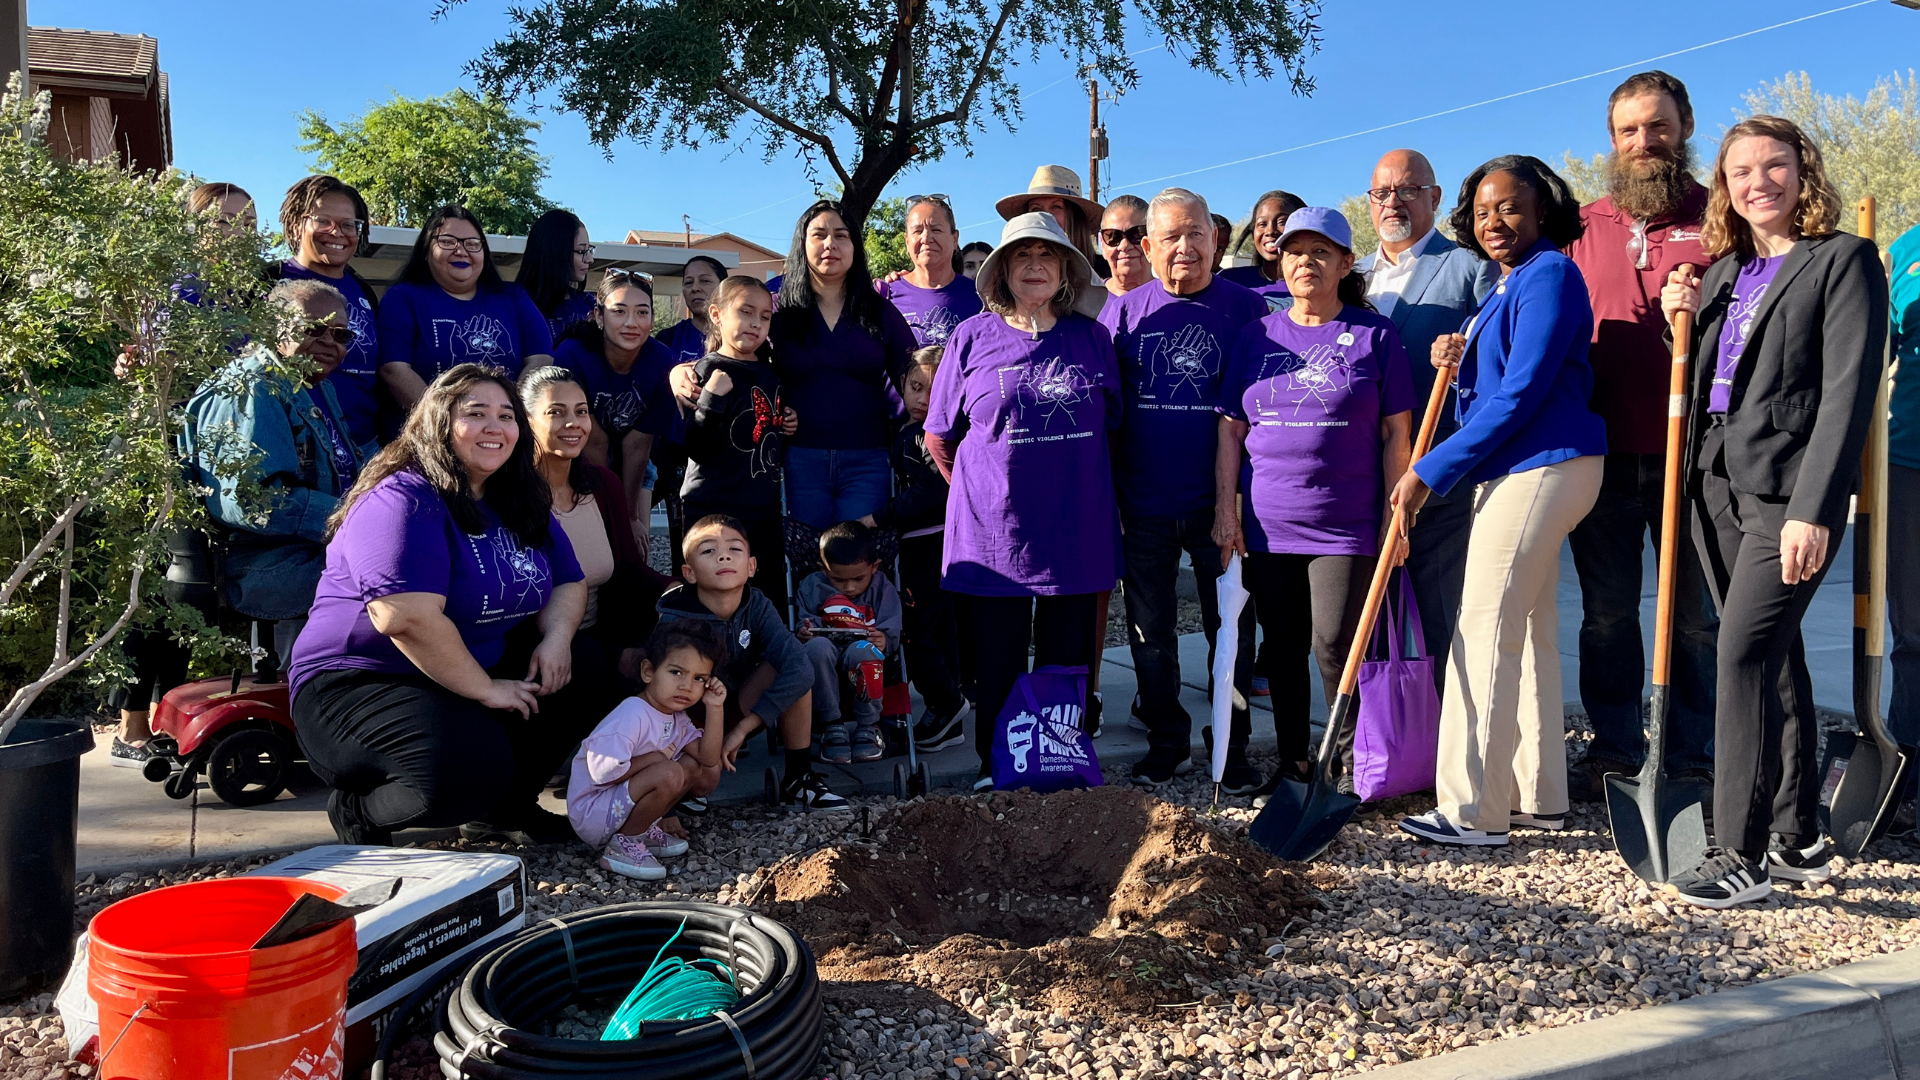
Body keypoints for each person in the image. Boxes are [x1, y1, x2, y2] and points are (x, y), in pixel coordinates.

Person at [1659, 117, 1884, 906]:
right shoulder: (1725, 272)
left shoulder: (1842, 261)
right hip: (1714, 484)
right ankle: (1798, 836)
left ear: (1803, 170)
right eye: (1741, 172)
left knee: (1742, 657)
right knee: (1776, 661)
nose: (1759, 183)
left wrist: (1815, 509)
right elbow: (1705, 378)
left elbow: (1848, 392)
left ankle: (1738, 851)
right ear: (1724, 187)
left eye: (1774, 166)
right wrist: (1678, 315)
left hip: (1788, 494)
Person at [290, 364, 612, 847]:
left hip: (462, 664)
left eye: (506, 416)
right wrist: (485, 688)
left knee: (584, 666)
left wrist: (557, 638)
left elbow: (568, 580)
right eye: (475, 413)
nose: (494, 427)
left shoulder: (515, 496)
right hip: (361, 679)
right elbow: (403, 617)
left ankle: (505, 811)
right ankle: (359, 808)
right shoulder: (402, 496)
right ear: (439, 422)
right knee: (466, 777)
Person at [1391, 156, 1607, 847]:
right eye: (1483, 211)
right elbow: (1495, 391)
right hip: (1532, 466)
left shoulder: (1549, 274)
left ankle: (1471, 810)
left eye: (1510, 207)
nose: (1494, 222)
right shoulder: (1511, 283)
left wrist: (1430, 471)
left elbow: (1522, 394)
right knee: (1529, 629)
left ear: (1543, 210)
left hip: (1540, 465)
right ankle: (1534, 793)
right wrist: (1456, 365)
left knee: (1482, 628)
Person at [1216, 207, 1414, 795]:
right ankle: (1295, 762)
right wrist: (1226, 510)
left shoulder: (1376, 336)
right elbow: (1230, 429)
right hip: (1268, 522)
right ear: (1280, 260)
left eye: (1321, 251)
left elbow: (1396, 435)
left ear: (1346, 264)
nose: (1306, 261)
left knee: (1334, 642)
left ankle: (1352, 762)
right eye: (1295, 251)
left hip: (1345, 523)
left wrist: (1396, 518)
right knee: (1282, 646)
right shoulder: (1256, 337)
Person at [1562, 71, 1720, 799]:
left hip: (1694, 457)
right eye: (1629, 130)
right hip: (1602, 453)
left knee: (1695, 620)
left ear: (1684, 127)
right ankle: (1616, 747)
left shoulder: (1722, 218)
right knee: (1607, 614)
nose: (1644, 141)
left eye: (1657, 125)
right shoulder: (1579, 227)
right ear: (1612, 139)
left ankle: (1692, 755)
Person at [925, 212, 1122, 789]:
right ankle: (998, 769)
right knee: (998, 661)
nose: (1035, 265)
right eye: (1021, 255)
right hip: (996, 536)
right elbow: (939, 435)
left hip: (1075, 530)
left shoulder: (1092, 338)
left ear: (1065, 271)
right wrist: (979, 490)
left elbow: (1113, 424)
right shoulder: (970, 337)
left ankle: (1056, 769)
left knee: (1067, 659)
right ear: (1001, 271)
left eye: (1047, 255)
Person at [1101, 188, 1266, 787]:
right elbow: (1103, 412)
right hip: (1141, 504)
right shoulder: (1121, 315)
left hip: (1221, 506)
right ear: (1148, 246)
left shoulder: (1249, 310)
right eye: (1171, 236)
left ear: (1216, 239)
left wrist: (1238, 502)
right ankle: (1166, 740)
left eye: (1196, 233)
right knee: (1150, 632)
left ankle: (1232, 747)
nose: (1185, 247)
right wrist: (1110, 498)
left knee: (1232, 629)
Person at [1357, 150, 1500, 674]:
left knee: (1439, 624)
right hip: (1356, 485)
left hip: (1433, 484)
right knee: (1363, 629)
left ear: (1434, 198)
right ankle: (1378, 724)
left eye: (1408, 190)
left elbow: (1496, 370)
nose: (1392, 202)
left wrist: (1460, 367)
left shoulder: (1470, 269)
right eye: (1381, 193)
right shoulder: (1350, 275)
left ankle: (1441, 724)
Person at [182, 278, 373, 670]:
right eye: (313, 329)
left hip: (312, 548)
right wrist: (352, 520)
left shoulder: (312, 385)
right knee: (399, 578)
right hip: (266, 564)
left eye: (340, 335)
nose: (329, 342)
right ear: (272, 328)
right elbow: (254, 501)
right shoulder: (252, 388)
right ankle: (322, 692)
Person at [657, 514, 850, 810]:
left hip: (740, 707)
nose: (723, 556)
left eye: (734, 549)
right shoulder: (676, 618)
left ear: (751, 566)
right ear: (689, 572)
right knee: (702, 783)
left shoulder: (756, 604)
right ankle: (670, 789)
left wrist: (744, 728)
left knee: (794, 667)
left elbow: (798, 666)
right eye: (708, 550)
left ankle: (798, 778)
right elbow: (659, 698)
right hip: (691, 721)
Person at [520, 365, 670, 675]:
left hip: (605, 636)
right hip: (535, 650)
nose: (573, 423)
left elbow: (631, 571)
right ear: (526, 421)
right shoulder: (508, 497)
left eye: (581, 411)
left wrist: (684, 591)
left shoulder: (602, 483)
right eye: (556, 412)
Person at [864, 346, 972, 751]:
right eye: (916, 386)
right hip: (936, 540)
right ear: (901, 385)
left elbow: (931, 489)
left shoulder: (926, 434)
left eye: (935, 389)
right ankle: (949, 716)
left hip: (929, 541)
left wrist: (880, 517)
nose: (924, 398)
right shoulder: (909, 428)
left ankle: (946, 701)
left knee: (915, 628)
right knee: (941, 626)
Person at [566, 619, 729, 880]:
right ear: (648, 671)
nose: (687, 686)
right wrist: (654, 759)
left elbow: (708, 759)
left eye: (699, 678)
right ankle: (623, 846)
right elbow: (602, 774)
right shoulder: (633, 713)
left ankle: (641, 830)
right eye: (676, 672)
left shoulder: (676, 717)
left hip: (616, 803)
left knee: (692, 765)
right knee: (669, 772)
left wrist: (715, 707)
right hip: (593, 811)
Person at [680, 274, 796, 608]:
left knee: (762, 596)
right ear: (716, 314)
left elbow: (767, 435)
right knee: (710, 594)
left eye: (764, 316)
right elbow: (697, 447)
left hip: (762, 508)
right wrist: (711, 400)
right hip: (711, 505)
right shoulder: (706, 370)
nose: (755, 323)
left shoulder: (772, 373)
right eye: (745, 312)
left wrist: (787, 422)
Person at [377, 205, 554, 413]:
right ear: (426, 251)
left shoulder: (513, 297)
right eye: (447, 242)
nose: (461, 251)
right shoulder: (403, 298)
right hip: (431, 427)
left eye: (472, 244)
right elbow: (394, 370)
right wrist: (443, 420)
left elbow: (541, 358)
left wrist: (507, 412)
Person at [555, 272, 679, 548]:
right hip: (578, 451)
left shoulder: (663, 361)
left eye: (642, 312)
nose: (631, 322)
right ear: (599, 316)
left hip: (635, 457)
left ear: (652, 320)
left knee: (633, 542)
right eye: (619, 311)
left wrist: (629, 517)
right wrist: (610, 516)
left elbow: (639, 444)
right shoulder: (572, 355)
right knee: (595, 538)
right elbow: (594, 442)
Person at [272, 176, 382, 447]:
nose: (337, 232)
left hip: (364, 446)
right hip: (295, 448)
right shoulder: (267, 282)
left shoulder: (364, 291)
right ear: (297, 226)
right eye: (323, 221)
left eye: (348, 225)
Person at [796, 521, 904, 764]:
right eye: (838, 580)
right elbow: (805, 622)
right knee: (815, 648)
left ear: (874, 567)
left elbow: (892, 627)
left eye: (858, 578)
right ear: (823, 569)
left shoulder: (882, 587)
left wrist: (884, 638)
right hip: (826, 650)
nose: (849, 587)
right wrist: (804, 632)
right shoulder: (812, 586)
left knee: (864, 651)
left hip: (864, 650)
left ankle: (869, 724)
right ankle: (831, 724)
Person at [1889, 220, 1920, 836]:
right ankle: (1903, 777)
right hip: (1909, 461)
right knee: (1912, 634)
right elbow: (1877, 350)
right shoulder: (1906, 250)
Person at [880, 194, 984, 347]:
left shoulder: (982, 298)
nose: (926, 238)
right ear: (907, 241)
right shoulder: (885, 296)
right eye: (917, 231)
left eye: (936, 230)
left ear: (955, 239)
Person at [995, 165, 1109, 279]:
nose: (1046, 215)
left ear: (1075, 216)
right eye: (1036, 209)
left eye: (1056, 207)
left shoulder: (1106, 272)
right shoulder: (1010, 272)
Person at [519, 209, 599, 342]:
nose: (590, 259)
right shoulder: (517, 303)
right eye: (581, 251)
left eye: (589, 250)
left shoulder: (588, 302)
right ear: (555, 252)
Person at [1222, 189, 1307, 313]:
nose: (1270, 231)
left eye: (1282, 222)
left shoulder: (1315, 282)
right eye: (1262, 224)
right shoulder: (1229, 281)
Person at [659, 256, 728, 363]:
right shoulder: (667, 339)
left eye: (705, 281)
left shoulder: (741, 338)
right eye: (688, 282)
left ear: (723, 288)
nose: (695, 288)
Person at [1098, 195, 1154, 311]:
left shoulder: (1173, 299)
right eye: (1113, 236)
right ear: (1102, 244)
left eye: (1137, 234)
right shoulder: (1084, 302)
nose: (1124, 246)